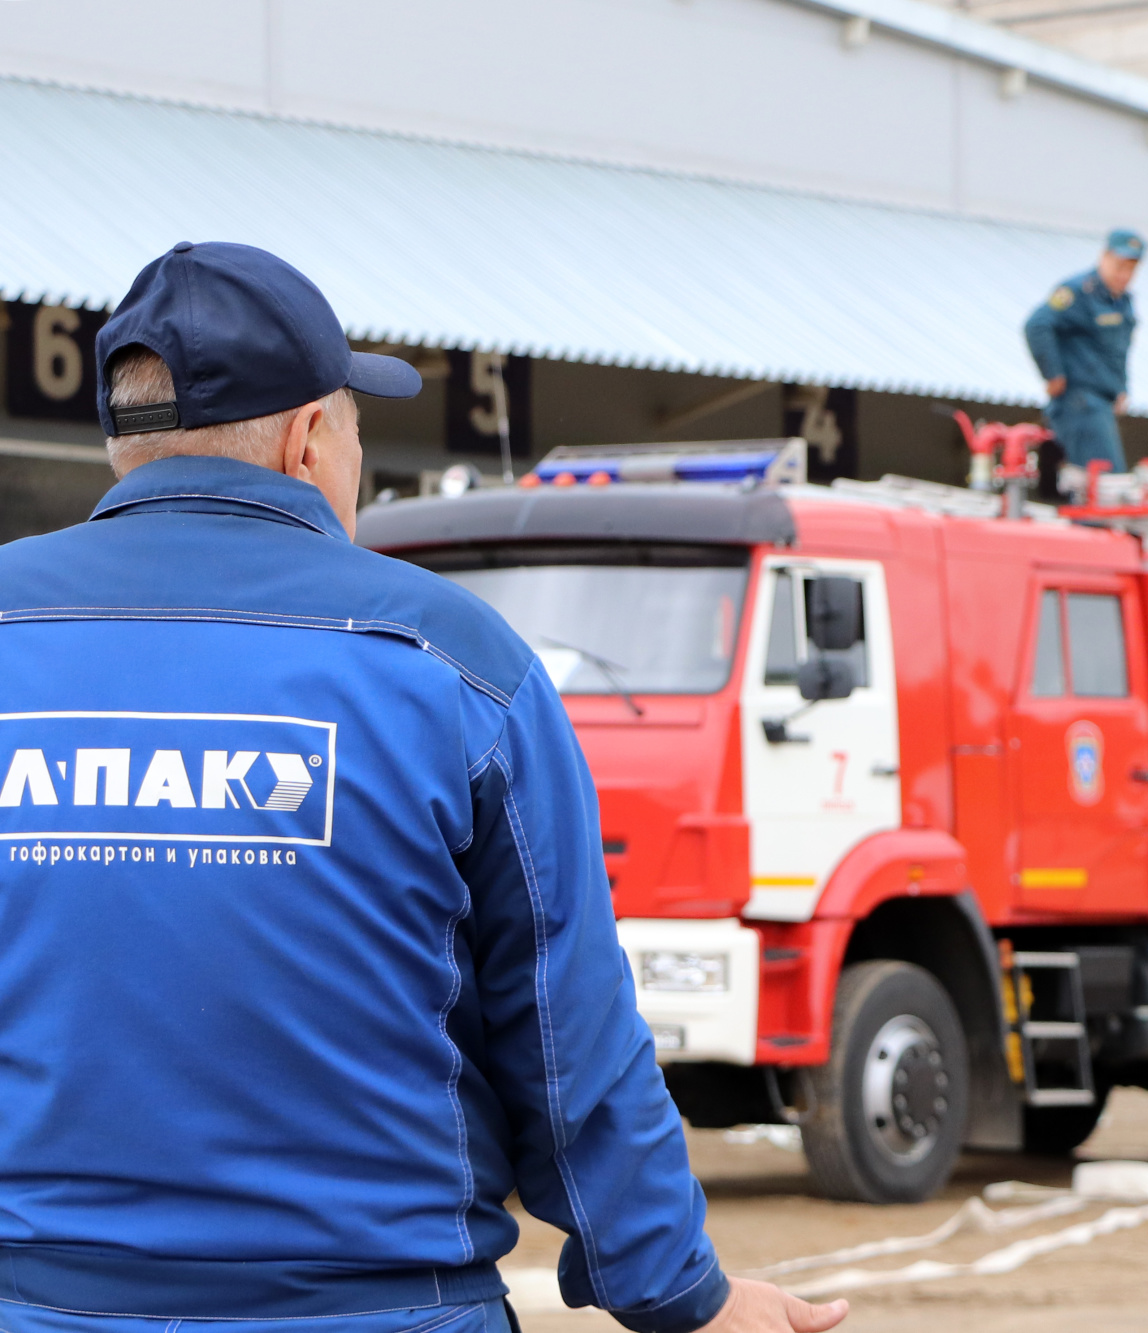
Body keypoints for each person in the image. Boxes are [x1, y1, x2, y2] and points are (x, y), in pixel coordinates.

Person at [0, 242, 845, 1333]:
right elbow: (564, 1029)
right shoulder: (449, 658)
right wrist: (681, 1293)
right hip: (384, 1307)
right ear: (311, 438)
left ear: (126, 444)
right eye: (355, 421)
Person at [1023, 228, 1144, 496]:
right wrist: (1053, 374)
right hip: (1079, 402)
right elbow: (1037, 325)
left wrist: (1120, 388)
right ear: (1104, 256)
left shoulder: (1122, 302)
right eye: (1120, 265)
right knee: (1105, 486)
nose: (1124, 275)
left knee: (1101, 485)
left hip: (1101, 405)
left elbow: (1115, 351)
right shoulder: (1077, 292)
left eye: (1132, 269)